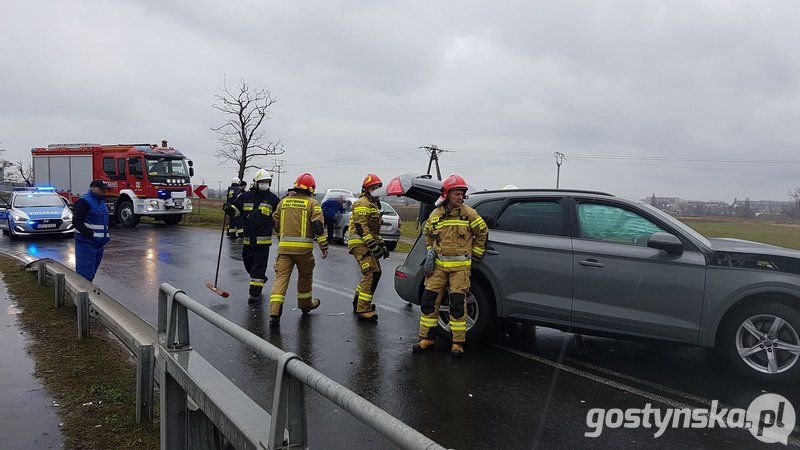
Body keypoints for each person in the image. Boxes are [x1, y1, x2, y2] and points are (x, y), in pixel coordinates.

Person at [412, 174, 488, 357]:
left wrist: (476, 255)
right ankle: (427, 339)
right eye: (456, 193)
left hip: (460, 270)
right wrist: (430, 251)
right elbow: (428, 233)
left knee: (457, 305)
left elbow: (482, 232)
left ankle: (457, 343)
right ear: (446, 195)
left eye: (462, 194)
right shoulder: (435, 214)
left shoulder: (469, 213)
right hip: (437, 268)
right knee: (429, 301)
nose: (460, 197)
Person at [268, 173, 329, 326]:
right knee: (305, 277)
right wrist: (324, 246)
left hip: (284, 249)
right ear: (311, 188)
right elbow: (318, 227)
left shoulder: (283, 202)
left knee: (281, 278)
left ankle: (274, 312)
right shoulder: (313, 204)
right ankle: (305, 305)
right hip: (304, 252)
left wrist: (281, 234)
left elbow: (275, 222)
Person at [226, 169, 280, 303]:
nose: (265, 184)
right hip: (248, 238)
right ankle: (261, 277)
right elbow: (237, 211)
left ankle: (254, 293)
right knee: (247, 262)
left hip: (263, 240)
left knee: (258, 266)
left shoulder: (273, 199)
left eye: (267, 181)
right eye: (262, 181)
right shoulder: (246, 196)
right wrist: (230, 210)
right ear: (256, 183)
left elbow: (280, 216)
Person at [348, 174, 388, 322]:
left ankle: (358, 301)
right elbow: (361, 227)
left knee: (375, 273)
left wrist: (382, 244)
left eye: (378, 187)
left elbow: (373, 231)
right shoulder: (363, 203)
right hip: (360, 243)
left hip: (366, 242)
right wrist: (373, 246)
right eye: (373, 187)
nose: (376, 190)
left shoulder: (374, 204)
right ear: (366, 189)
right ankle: (363, 309)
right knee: (372, 273)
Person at [73, 179, 111, 282]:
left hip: (99, 246)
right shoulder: (83, 201)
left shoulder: (101, 203)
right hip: (86, 245)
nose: (104, 192)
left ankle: (86, 297)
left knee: (90, 276)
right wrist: (90, 234)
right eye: (102, 190)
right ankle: (82, 298)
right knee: (84, 278)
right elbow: (77, 222)